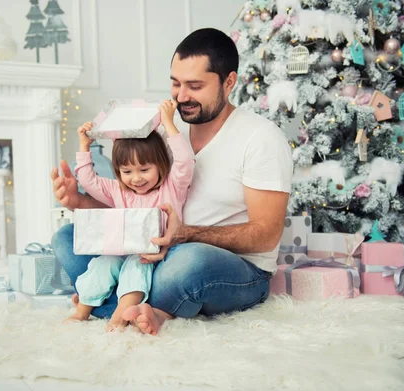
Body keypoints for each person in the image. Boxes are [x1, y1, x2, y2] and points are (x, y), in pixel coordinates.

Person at [51, 27, 293, 336]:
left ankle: (107, 302)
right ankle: (139, 306)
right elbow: (131, 203)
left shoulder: (260, 137)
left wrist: (186, 235)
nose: (181, 96)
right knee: (66, 238)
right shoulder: (163, 127)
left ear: (229, 82)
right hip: (148, 252)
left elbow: (266, 235)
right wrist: (79, 201)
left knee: (188, 262)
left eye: (195, 85)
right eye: (175, 83)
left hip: (230, 266)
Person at [65, 99, 194, 332]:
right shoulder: (119, 189)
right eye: (127, 171)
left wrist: (169, 124)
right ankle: (82, 312)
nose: (136, 178)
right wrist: (84, 146)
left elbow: (185, 160)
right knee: (103, 264)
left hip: (156, 257)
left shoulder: (172, 186)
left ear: (160, 164)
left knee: (137, 264)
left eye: (145, 170)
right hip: (123, 252)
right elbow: (88, 180)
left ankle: (119, 316)